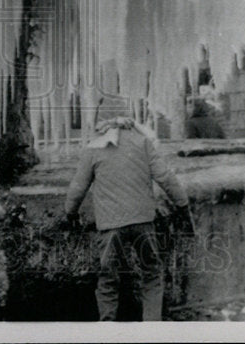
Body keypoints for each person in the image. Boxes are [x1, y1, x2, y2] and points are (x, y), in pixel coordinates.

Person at [64, 95, 194, 321]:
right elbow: (166, 178)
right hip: (143, 222)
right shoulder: (142, 142)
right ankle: (151, 329)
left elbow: (78, 187)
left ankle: (108, 329)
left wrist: (70, 213)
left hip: (110, 225)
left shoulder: (93, 148)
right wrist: (182, 205)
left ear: (100, 118)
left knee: (108, 280)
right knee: (151, 275)